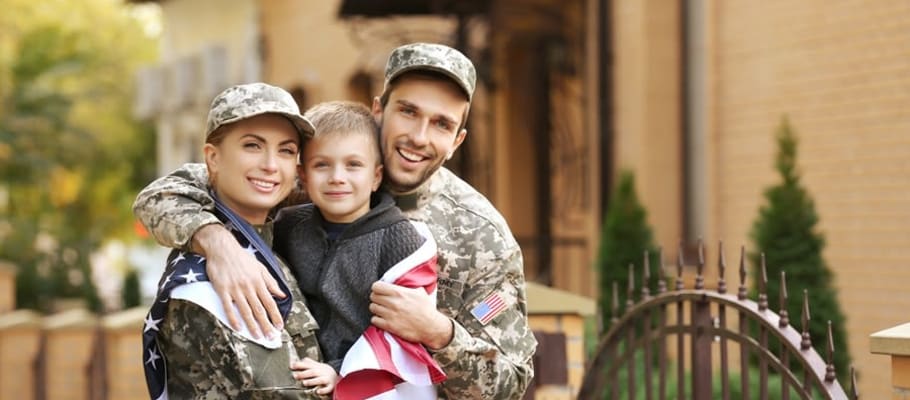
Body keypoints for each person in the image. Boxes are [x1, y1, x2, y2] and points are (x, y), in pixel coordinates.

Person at [133, 42, 537, 399]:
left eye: (441, 124)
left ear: (457, 141)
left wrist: (438, 333)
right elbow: (162, 196)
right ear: (379, 110)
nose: (418, 135)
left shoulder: (480, 236)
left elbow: (509, 383)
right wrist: (216, 243)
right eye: (408, 111)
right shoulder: (308, 176)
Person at [140, 82, 334, 399]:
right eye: (252, 146)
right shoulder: (220, 279)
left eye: (285, 150)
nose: (271, 165)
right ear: (212, 158)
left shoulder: (271, 239)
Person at [278, 101, 444, 398]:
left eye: (353, 165)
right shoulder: (289, 226)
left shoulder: (403, 242)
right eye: (321, 165)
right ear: (303, 176)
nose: (337, 177)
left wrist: (342, 372)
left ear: (376, 176)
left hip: (376, 387)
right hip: (299, 378)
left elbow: (400, 332)